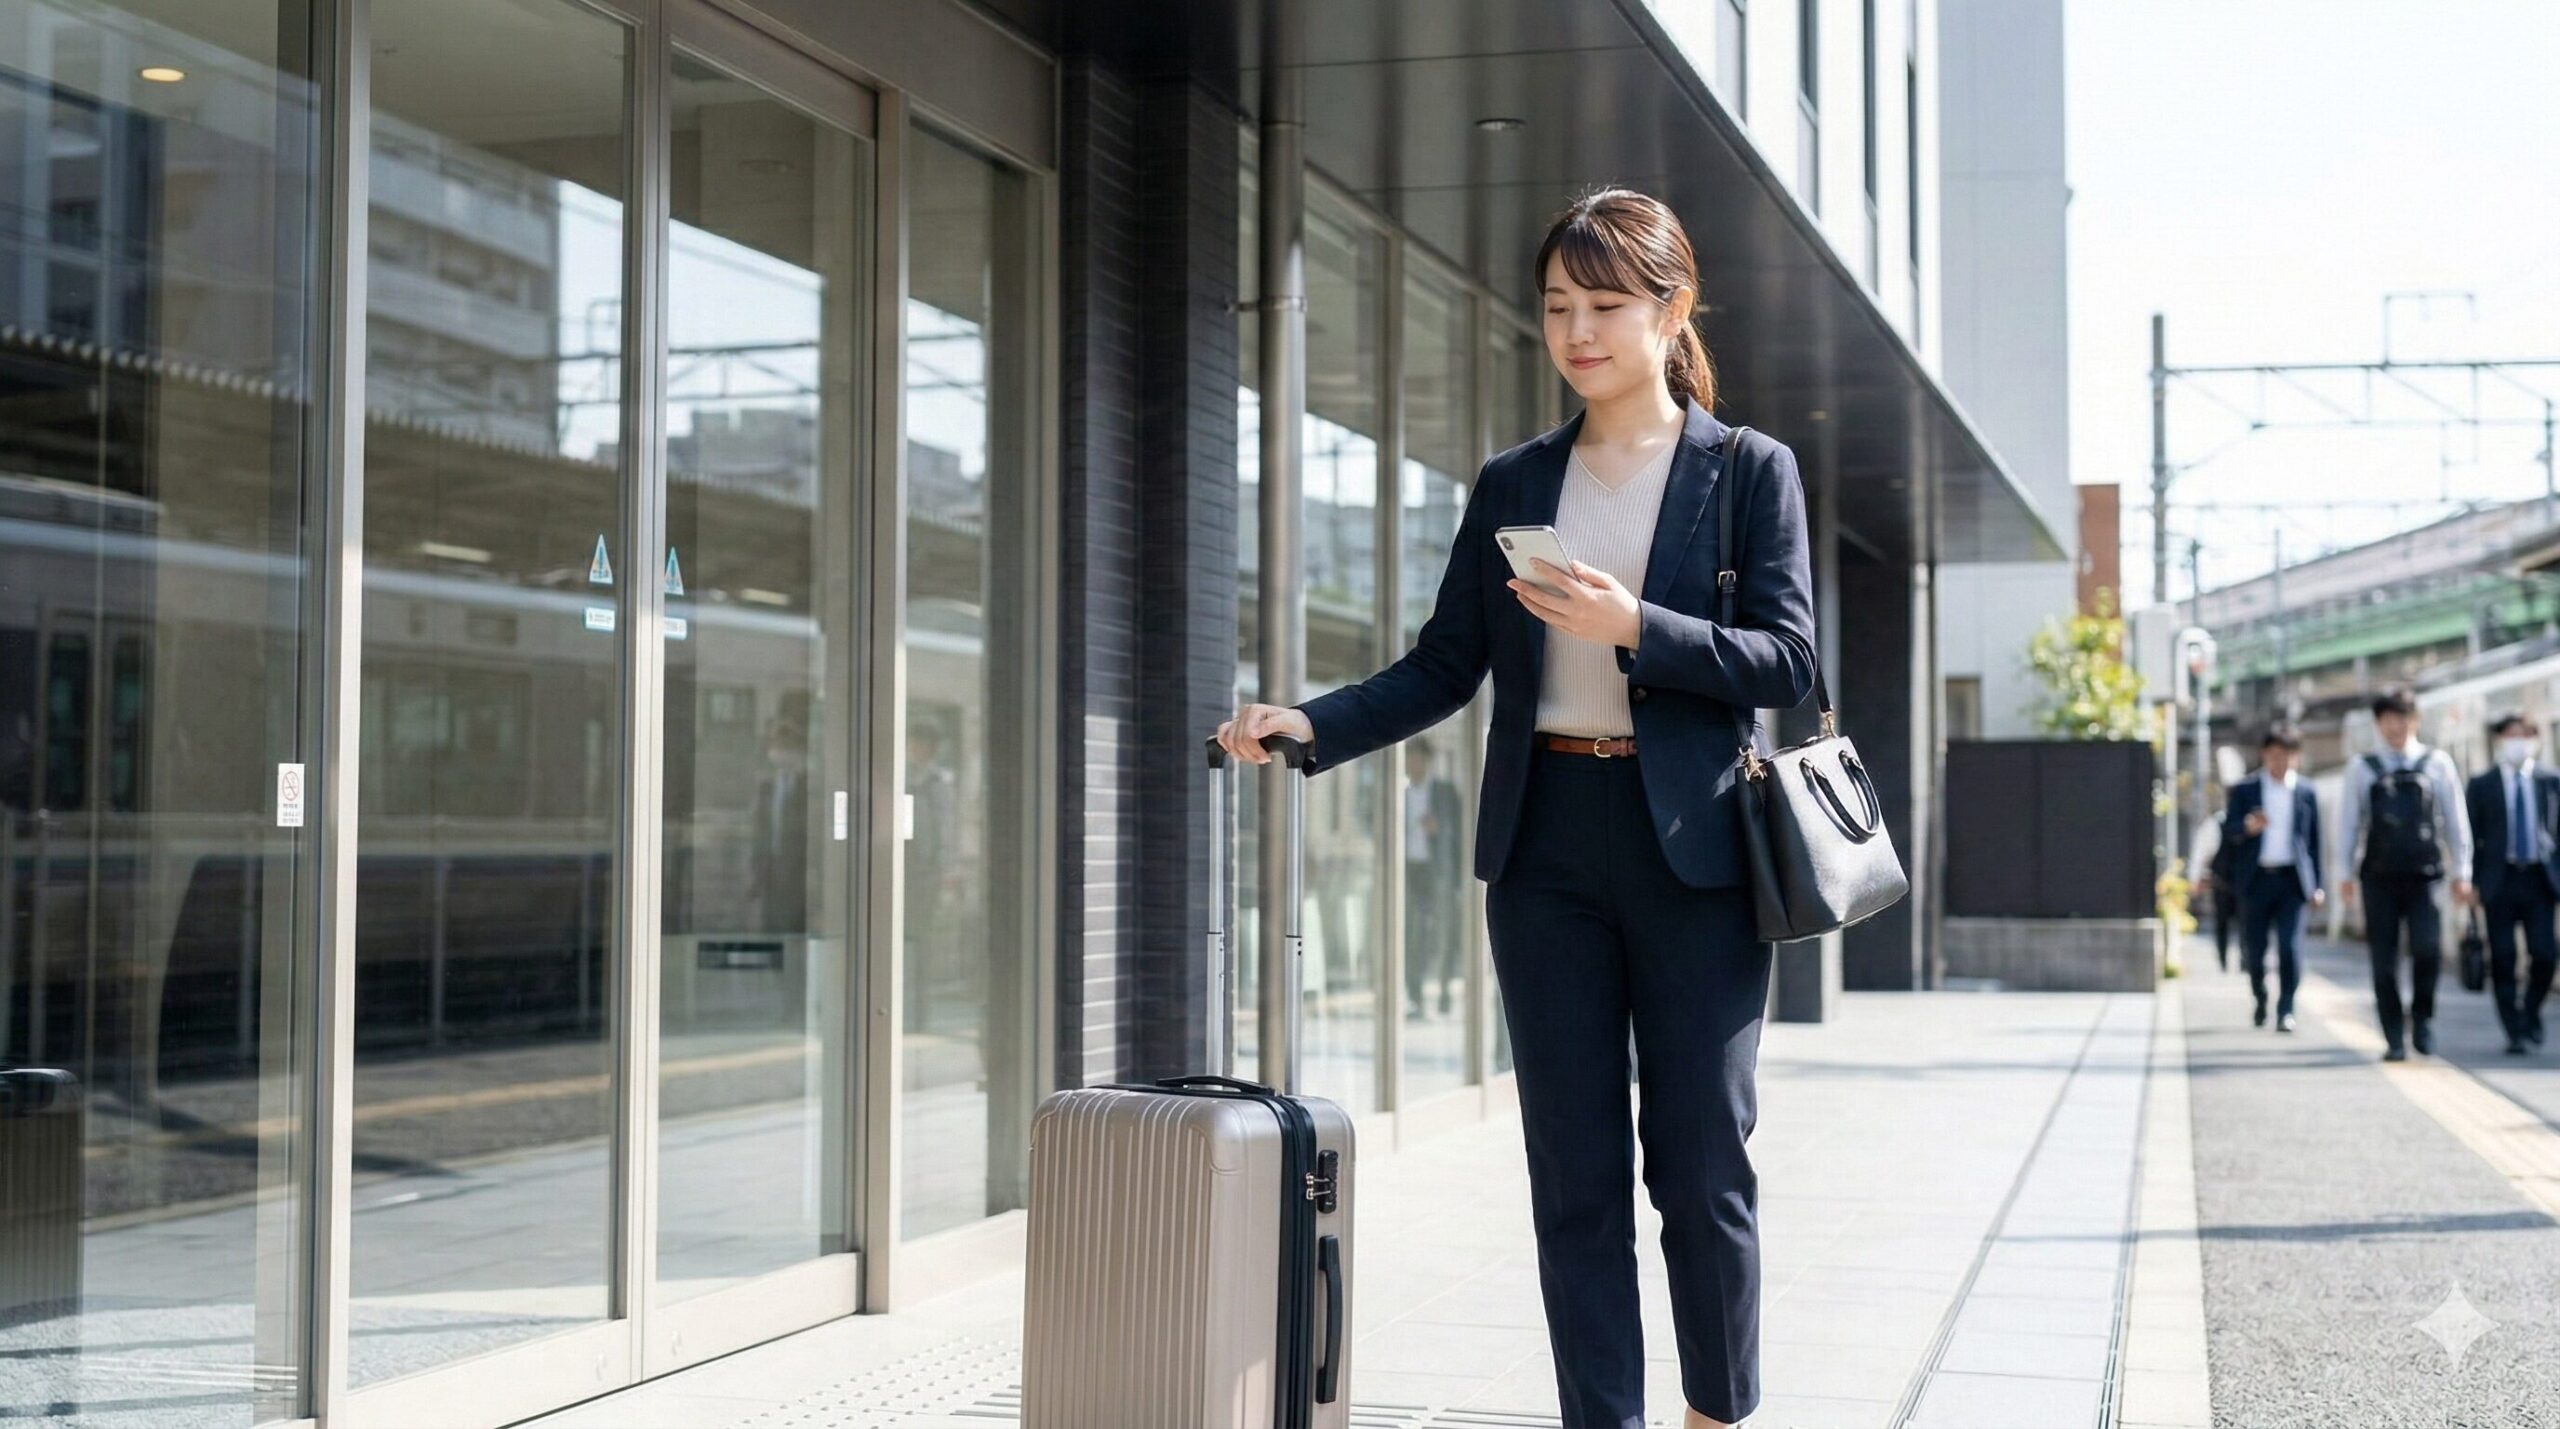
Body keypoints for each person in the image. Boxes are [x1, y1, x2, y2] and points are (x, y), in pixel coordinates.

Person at [1219, 187, 1817, 1429]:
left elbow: (1787, 661)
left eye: (1604, 305)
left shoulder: (1747, 470)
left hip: (1696, 855)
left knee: (1701, 1162)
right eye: (1556, 307)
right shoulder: (1515, 481)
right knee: (1573, 1177)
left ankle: (1717, 1412)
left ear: (1671, 310)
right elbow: (1447, 663)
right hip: (1545, 849)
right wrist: (1313, 723)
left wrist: (1634, 624)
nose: (1576, 331)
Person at [2337, 686, 2475, 1062]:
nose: (2395, 726)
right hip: (2377, 878)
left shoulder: (2437, 763)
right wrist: (2343, 874)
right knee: (2383, 961)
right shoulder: (2361, 768)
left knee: (2427, 950)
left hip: (2426, 875)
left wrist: (2463, 871)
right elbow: (2348, 824)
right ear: (2378, 724)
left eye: (2401, 718)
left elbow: (2456, 822)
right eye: (2387, 719)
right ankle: (2394, 1036)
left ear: (2415, 721)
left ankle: (2423, 1018)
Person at [2464, 711, 2559, 1056]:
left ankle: (2530, 1010)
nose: (2518, 742)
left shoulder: (2551, 781)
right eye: (2511, 735)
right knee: (2503, 957)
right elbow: (2471, 838)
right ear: (2499, 740)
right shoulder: (2481, 785)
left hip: (2539, 880)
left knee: (2545, 954)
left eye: (2525, 735)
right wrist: (2470, 882)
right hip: (2498, 882)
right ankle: (2514, 1029)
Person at [2219, 724, 2324, 1032]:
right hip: (2256, 880)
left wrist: (2317, 885)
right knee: (2255, 949)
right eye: (2275, 755)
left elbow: (2314, 843)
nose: (2281, 762)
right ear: (2264, 755)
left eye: (2288, 755)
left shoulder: (2306, 791)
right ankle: (2260, 996)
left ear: (2297, 757)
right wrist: (2247, 826)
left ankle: (2286, 1008)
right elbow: (2229, 830)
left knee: (2290, 948)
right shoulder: (2246, 790)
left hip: (2292, 881)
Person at [1402, 739, 1464, 1019]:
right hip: (1409, 872)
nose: (1412, 764)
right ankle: (1415, 996)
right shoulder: (1400, 792)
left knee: (1443, 934)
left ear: (1427, 761)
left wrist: (1438, 829)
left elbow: (1460, 832)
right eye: (1409, 758)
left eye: (1416, 758)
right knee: (1413, 935)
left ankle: (1444, 992)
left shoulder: (1445, 792)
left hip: (1438, 873)